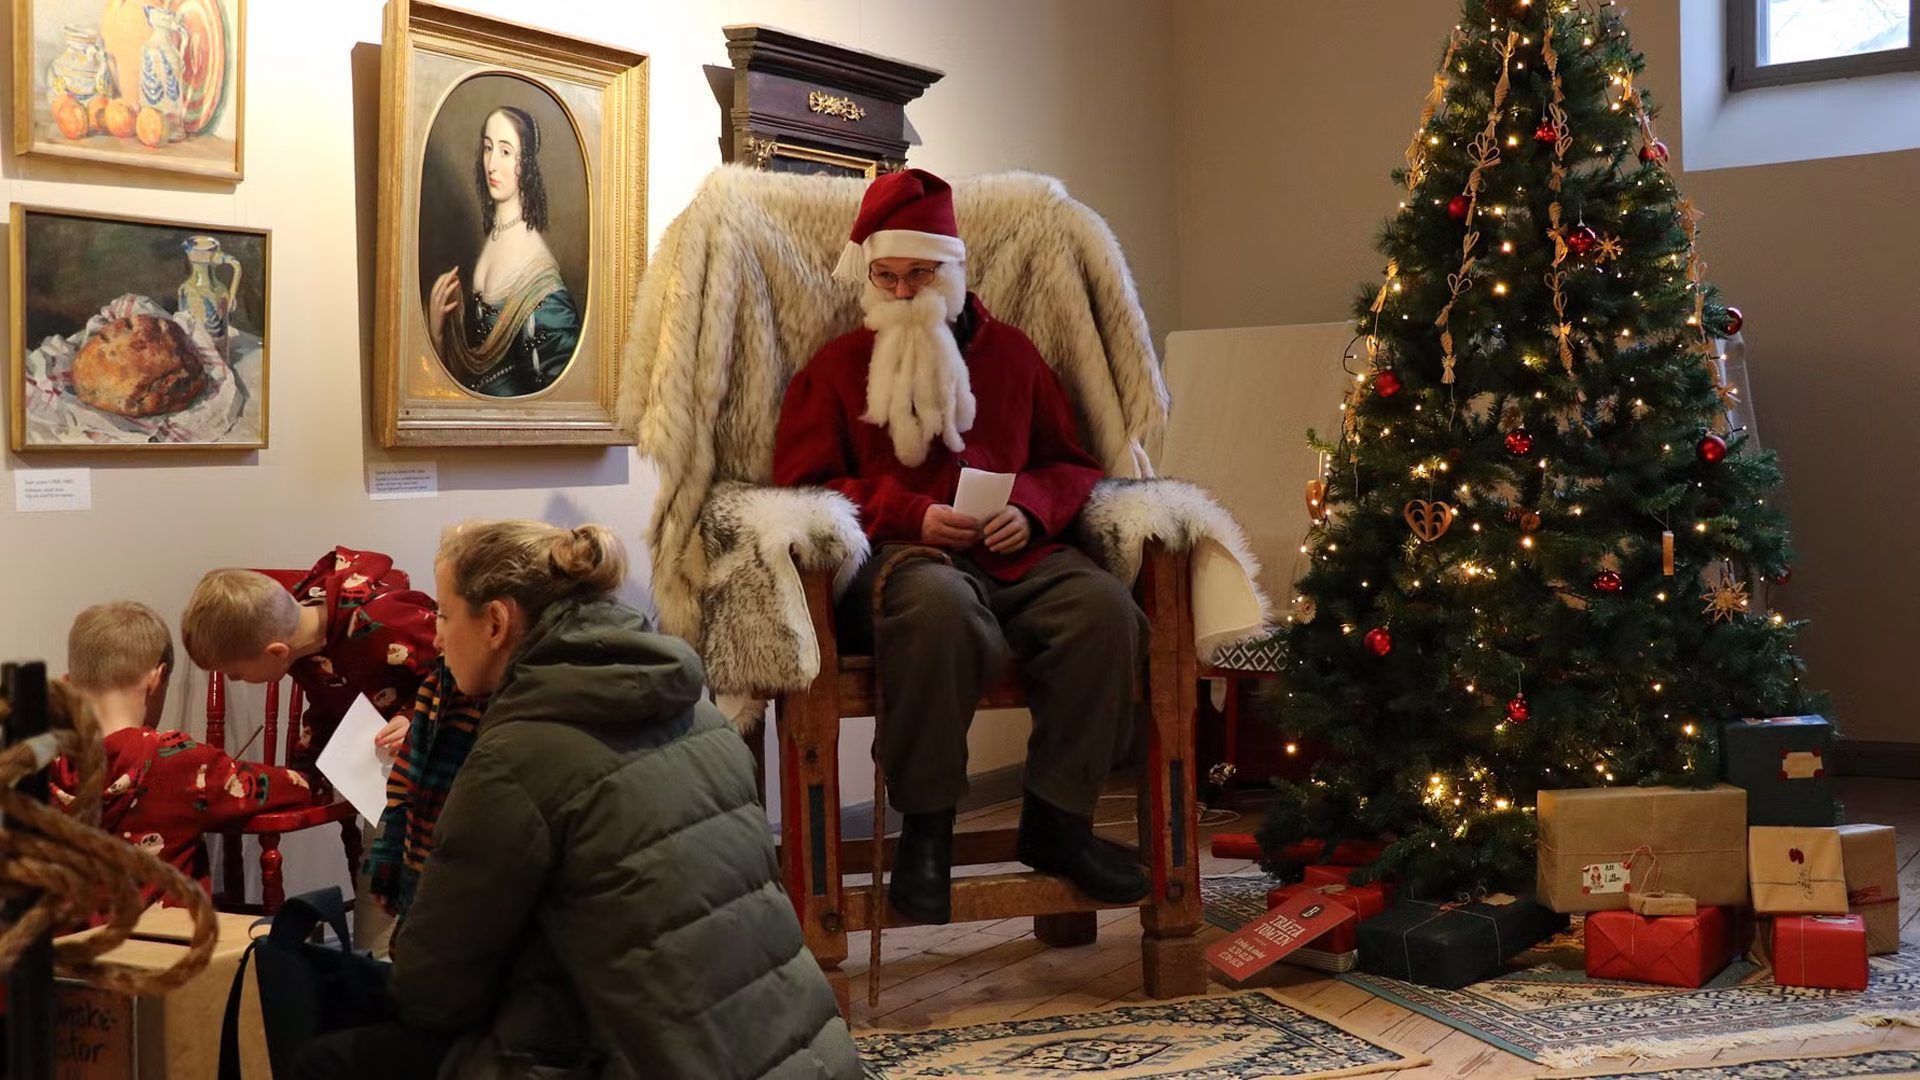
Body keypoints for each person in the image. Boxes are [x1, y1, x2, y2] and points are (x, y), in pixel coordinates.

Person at [292, 521, 859, 1080]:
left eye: (443, 615)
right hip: (801, 1055)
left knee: (326, 1057)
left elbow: (431, 989)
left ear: (495, 623)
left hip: (654, 1059)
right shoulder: (701, 717)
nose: (436, 638)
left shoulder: (517, 757)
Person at [771, 168, 1151, 926]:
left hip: (1015, 556)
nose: (905, 293)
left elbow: (1069, 464)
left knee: (1104, 610)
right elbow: (803, 489)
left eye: (921, 275)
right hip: (903, 564)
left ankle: (1059, 819)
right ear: (870, 275)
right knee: (941, 610)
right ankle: (927, 831)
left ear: (954, 270)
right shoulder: (837, 369)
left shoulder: (1015, 355)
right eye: (888, 276)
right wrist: (910, 514)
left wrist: (1035, 512)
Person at [48, 601, 318, 911]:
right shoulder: (177, 760)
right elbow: (285, 787)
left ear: (68, 683)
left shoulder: (40, 761)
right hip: (162, 948)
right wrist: (307, 778)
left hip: (65, 949)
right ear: (157, 678)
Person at [426, 105, 581, 398]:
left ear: (527, 165)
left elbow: (554, 396)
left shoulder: (539, 275)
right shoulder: (494, 236)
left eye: (505, 152)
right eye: (488, 148)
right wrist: (436, 334)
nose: (491, 164)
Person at [362, 659, 484, 920]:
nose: (436, 638)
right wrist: (390, 854)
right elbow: (404, 780)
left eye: (446, 619)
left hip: (461, 885)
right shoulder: (436, 684)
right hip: (421, 889)